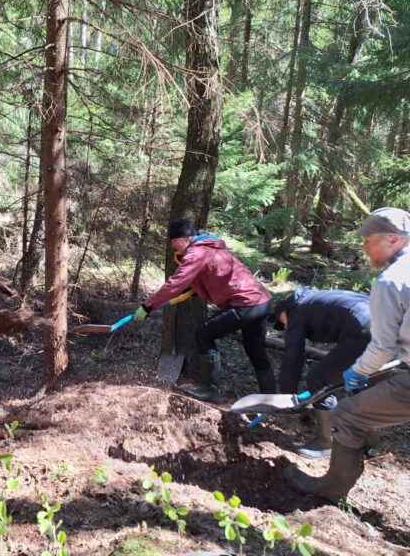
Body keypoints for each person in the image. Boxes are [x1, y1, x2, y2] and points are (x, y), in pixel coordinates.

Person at [285, 207, 410, 502]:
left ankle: (331, 488)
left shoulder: (392, 280)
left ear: (393, 239)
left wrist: (358, 371)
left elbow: (383, 347)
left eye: (368, 239)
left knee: (348, 413)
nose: (364, 246)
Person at [135, 219, 275, 401]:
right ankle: (271, 397)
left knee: (204, 334)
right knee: (256, 351)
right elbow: (215, 274)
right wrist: (197, 290)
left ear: (186, 238)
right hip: (261, 300)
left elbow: (175, 284)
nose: (173, 246)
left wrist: (148, 305)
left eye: (174, 241)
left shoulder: (196, 253)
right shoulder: (210, 247)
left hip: (245, 303)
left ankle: (211, 389)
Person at [273, 287, 371, 458]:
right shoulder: (321, 299)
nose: (286, 327)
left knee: (318, 380)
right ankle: (368, 443)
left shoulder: (298, 312)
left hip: (364, 332)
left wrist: (288, 395)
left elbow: (293, 356)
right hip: (391, 329)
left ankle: (325, 442)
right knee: (368, 389)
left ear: (286, 310)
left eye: (283, 323)